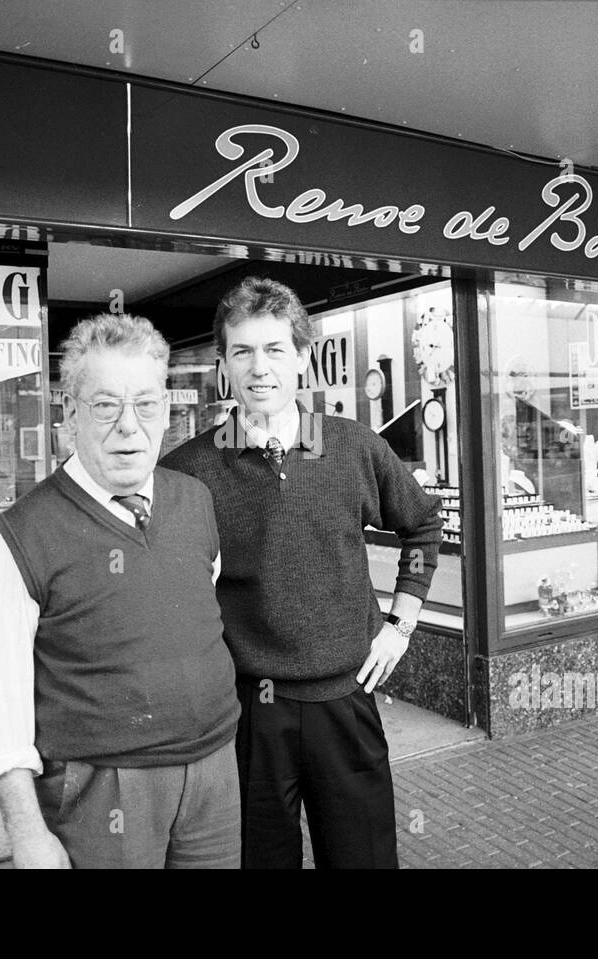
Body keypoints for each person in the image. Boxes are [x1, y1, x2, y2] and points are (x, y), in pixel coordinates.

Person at [161, 277, 443, 869]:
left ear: (302, 359)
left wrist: (402, 624)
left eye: (274, 350)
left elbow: (421, 526)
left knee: (362, 859)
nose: (259, 368)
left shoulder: (353, 447)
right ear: (223, 366)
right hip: (247, 714)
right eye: (242, 351)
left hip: (346, 699)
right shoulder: (188, 471)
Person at [0, 312, 240, 869]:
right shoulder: (21, 536)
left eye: (145, 404)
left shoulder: (195, 501)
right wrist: (27, 834)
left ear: (166, 411)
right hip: (102, 789)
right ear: (69, 414)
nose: (128, 426)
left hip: (215, 773)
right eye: (106, 405)